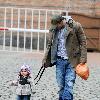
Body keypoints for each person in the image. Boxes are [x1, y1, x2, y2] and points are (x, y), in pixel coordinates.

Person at [42, 14, 87, 100]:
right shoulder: (54, 29)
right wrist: (45, 59)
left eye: (57, 25)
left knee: (69, 84)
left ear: (61, 22)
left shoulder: (75, 26)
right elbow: (49, 45)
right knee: (61, 85)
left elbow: (83, 42)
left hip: (72, 61)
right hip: (59, 61)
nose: (56, 27)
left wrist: (83, 58)